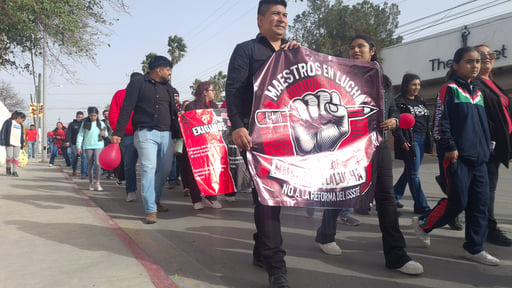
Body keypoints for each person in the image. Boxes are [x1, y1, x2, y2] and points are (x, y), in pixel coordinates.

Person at [315, 35, 423, 275]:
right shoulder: (338, 75)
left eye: (360, 46)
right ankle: (325, 235)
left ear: (372, 51)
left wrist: (394, 120)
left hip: (379, 145)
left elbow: (393, 109)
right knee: (340, 190)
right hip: (347, 146)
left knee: (386, 198)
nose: (355, 50)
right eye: (351, 47)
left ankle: (396, 255)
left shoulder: (383, 80)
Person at [225, 1, 300, 286]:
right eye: (275, 14)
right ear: (260, 20)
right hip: (254, 136)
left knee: (272, 198)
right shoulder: (246, 50)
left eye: (284, 15)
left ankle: (261, 250)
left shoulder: (293, 52)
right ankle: (276, 267)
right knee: (268, 197)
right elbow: (233, 89)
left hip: (287, 136)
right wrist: (237, 125)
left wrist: (298, 57)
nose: (281, 19)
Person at [412, 46, 500, 266]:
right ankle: (424, 223)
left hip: (480, 158)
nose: (475, 65)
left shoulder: (478, 92)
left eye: (478, 61)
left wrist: (489, 145)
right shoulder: (449, 90)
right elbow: (440, 122)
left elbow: (483, 125)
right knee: (458, 201)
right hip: (456, 157)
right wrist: (450, 146)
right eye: (470, 61)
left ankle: (474, 248)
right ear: (456, 65)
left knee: (480, 204)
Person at [111, 55, 177, 224]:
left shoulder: (168, 88)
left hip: (166, 134)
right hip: (145, 133)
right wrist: (118, 132)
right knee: (148, 168)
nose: (170, 73)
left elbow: (173, 114)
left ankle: (155, 199)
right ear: (158, 69)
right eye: (168, 69)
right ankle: (150, 209)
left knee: (165, 169)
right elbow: (127, 107)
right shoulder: (138, 83)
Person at [474, 44, 512, 247]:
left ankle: (484, 226)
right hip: (487, 147)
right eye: (481, 55)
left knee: (486, 189)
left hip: (498, 147)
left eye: (490, 54)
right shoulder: (475, 85)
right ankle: (489, 228)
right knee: (484, 190)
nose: (487, 57)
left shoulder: (493, 83)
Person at [393, 73, 432, 214]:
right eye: (413, 85)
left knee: (409, 171)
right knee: (414, 173)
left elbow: (426, 120)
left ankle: (393, 196)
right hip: (411, 139)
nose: (417, 88)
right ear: (406, 85)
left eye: (419, 85)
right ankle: (422, 205)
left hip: (422, 139)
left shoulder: (420, 100)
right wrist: (402, 140)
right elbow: (396, 124)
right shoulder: (399, 102)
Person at [181, 81, 223, 210]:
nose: (214, 92)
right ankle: (196, 199)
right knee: (195, 172)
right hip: (196, 146)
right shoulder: (191, 106)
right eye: (212, 90)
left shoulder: (214, 107)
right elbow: (188, 126)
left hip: (212, 146)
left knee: (212, 171)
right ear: (205, 92)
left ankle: (211, 197)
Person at [109, 72, 142, 202]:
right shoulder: (120, 94)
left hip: (144, 131)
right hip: (127, 135)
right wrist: (118, 131)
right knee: (129, 163)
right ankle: (131, 190)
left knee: (149, 164)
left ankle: (152, 193)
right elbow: (113, 114)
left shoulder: (145, 94)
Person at [76, 106, 107, 192]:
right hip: (88, 146)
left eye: (95, 115)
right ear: (89, 115)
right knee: (90, 165)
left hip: (99, 145)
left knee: (98, 163)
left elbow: (106, 134)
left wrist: (104, 134)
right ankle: (91, 183)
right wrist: (79, 147)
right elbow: (80, 135)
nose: (93, 117)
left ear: (97, 115)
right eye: (91, 115)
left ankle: (98, 183)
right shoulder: (85, 124)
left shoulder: (101, 124)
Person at [0, 111, 26, 177]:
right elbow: (3, 131)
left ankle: (15, 171)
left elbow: (21, 135)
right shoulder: (9, 122)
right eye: (22, 120)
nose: (22, 121)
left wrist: (22, 143)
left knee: (16, 158)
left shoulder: (20, 125)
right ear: (19, 117)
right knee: (9, 156)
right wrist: (3, 141)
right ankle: (8, 168)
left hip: (17, 143)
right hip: (10, 143)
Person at [168, 88, 182, 189]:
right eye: (174, 96)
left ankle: (178, 178)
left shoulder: (181, 108)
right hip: (170, 136)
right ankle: (172, 180)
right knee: (172, 160)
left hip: (180, 137)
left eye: (177, 96)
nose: (176, 97)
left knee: (179, 159)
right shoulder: (167, 107)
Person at [65, 111, 85, 176]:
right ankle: (74, 169)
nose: (80, 118)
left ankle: (83, 172)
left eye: (81, 117)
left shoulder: (85, 124)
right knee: (75, 157)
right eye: (79, 117)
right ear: (76, 117)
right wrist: (68, 141)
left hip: (84, 143)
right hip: (74, 143)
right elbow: (69, 133)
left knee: (84, 158)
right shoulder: (72, 124)